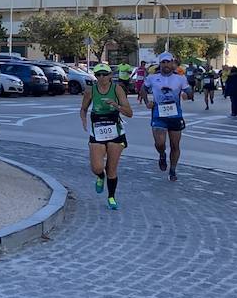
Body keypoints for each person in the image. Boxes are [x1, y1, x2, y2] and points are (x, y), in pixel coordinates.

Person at [81, 63, 133, 210]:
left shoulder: (117, 89)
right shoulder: (90, 91)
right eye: (98, 75)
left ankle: (111, 197)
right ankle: (100, 176)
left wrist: (116, 105)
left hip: (115, 132)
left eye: (104, 74)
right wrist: (83, 119)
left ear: (110, 75)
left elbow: (129, 113)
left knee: (111, 168)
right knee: (97, 167)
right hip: (97, 131)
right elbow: (83, 109)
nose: (102, 77)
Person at [143, 52, 192, 181]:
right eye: (163, 62)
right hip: (158, 114)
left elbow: (189, 90)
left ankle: (173, 170)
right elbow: (143, 89)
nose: (166, 65)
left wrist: (187, 95)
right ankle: (162, 154)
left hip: (175, 115)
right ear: (160, 64)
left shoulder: (180, 78)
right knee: (160, 143)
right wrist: (147, 102)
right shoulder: (153, 77)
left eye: (168, 62)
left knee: (175, 145)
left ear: (172, 63)